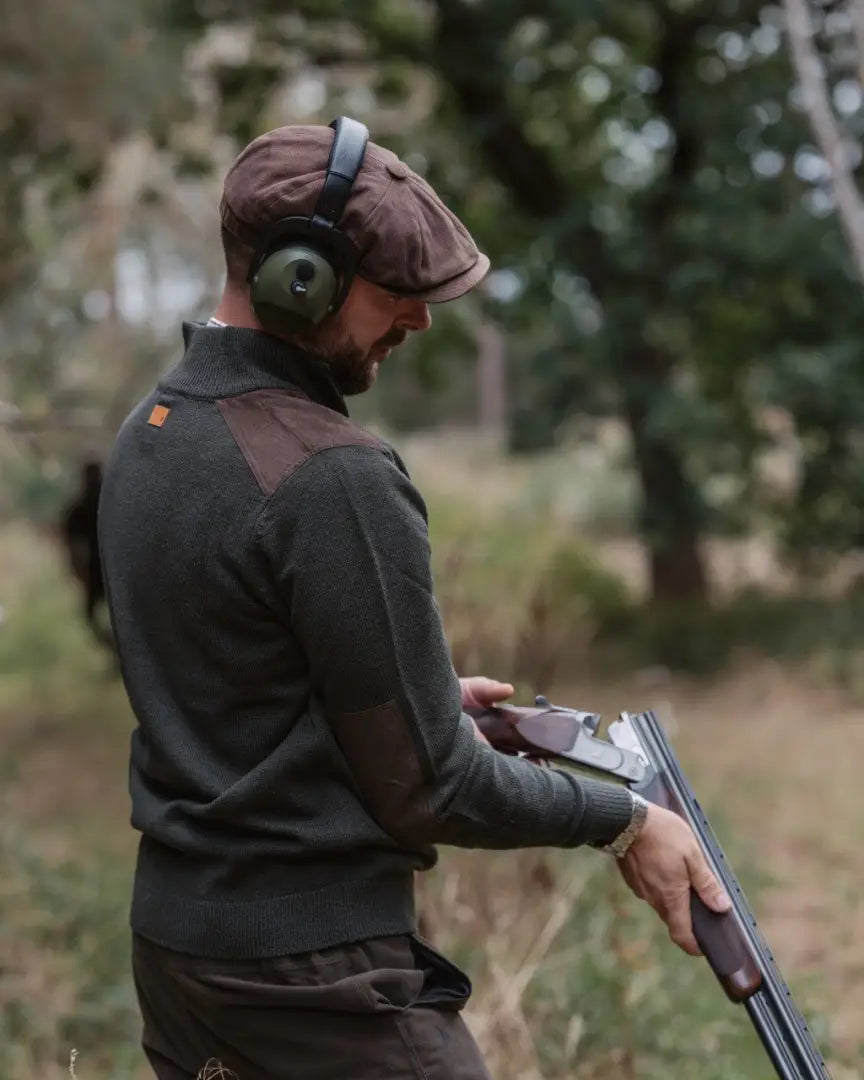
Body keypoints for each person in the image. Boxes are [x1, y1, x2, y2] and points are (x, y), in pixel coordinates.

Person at [98, 117, 730, 1080]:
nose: (419, 319)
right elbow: (434, 787)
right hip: (315, 984)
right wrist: (628, 823)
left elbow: (238, 689)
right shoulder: (333, 475)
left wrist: (415, 701)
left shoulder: (153, 431)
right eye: (395, 291)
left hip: (185, 963)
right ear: (297, 276)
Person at [60, 459, 113, 651]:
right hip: (105, 569)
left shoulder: (81, 508)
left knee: (94, 616)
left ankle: (117, 651)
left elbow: (71, 543)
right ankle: (117, 651)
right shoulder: (113, 502)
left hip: (99, 570)